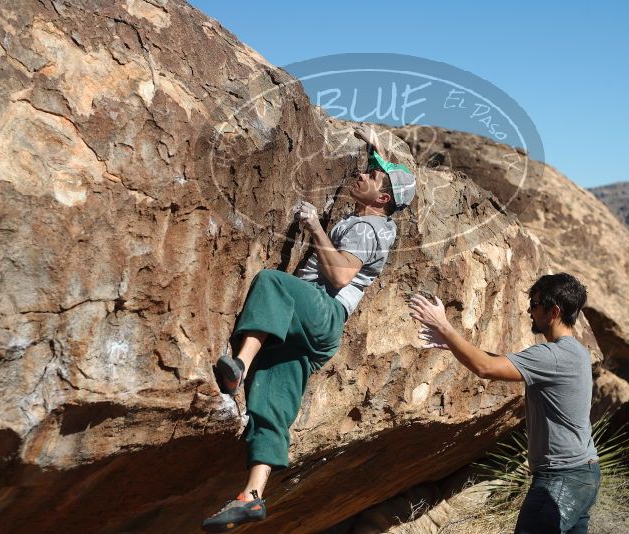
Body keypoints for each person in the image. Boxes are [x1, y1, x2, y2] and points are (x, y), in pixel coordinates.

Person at [202, 125, 416, 532]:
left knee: (272, 282)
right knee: (272, 400)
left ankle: (240, 366)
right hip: (315, 332)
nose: (364, 174)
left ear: (383, 198)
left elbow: (338, 277)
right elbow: (383, 172)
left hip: (323, 313)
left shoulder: (367, 228)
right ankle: (253, 496)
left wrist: (314, 225)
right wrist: (375, 147)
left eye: (372, 177)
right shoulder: (381, 218)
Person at [409, 273, 600, 534]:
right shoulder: (575, 351)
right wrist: (453, 345)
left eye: (534, 305)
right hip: (584, 474)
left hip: (561, 479)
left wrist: (443, 326)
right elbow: (502, 362)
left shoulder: (552, 356)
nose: (530, 312)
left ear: (553, 311)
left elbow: (486, 368)